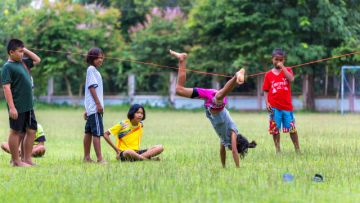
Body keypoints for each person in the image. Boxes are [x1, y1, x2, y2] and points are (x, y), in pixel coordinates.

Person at [170, 50, 256, 168]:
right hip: (217, 103)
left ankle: (182, 60)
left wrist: (224, 167)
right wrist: (238, 168)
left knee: (179, 90)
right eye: (233, 148)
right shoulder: (233, 132)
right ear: (236, 144)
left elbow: (222, 152)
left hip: (209, 101)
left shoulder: (224, 139)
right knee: (220, 95)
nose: (231, 149)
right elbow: (235, 152)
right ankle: (237, 75)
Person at [1, 39, 41, 167]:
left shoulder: (23, 62)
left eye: (22, 51)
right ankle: (16, 161)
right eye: (19, 51)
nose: (22, 54)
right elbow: (6, 87)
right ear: (11, 52)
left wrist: (25, 49)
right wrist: (12, 107)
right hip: (17, 106)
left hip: (28, 105)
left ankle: (27, 159)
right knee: (15, 131)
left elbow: (37, 60)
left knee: (31, 130)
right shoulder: (7, 67)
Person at [262, 48, 300, 153]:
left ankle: (297, 149)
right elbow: (265, 90)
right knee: (275, 129)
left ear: (284, 60)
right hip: (274, 107)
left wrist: (283, 67)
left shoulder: (287, 70)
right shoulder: (268, 74)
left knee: (292, 129)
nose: (278, 62)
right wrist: (267, 102)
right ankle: (278, 150)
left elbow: (291, 79)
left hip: (287, 107)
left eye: (281, 60)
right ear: (272, 59)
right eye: (276, 59)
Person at [83, 47, 106, 163]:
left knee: (88, 132)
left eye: (102, 57)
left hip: (91, 108)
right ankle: (100, 159)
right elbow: (91, 87)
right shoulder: (91, 69)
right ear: (92, 58)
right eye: (98, 57)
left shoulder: (93, 70)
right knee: (97, 133)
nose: (100, 60)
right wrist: (98, 104)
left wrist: (87, 108)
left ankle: (86, 157)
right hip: (95, 108)